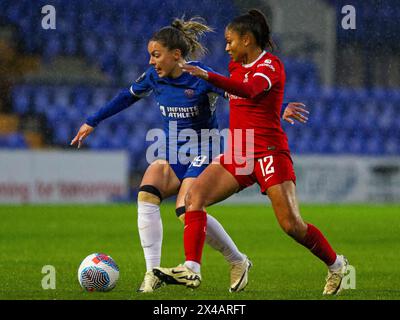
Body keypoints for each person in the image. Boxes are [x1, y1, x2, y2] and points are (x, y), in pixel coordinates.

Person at [71, 17, 309, 293]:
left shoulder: (200, 76)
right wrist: (92, 121)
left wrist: (280, 110)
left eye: (156, 55)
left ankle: (237, 260)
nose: (151, 62)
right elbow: (126, 96)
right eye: (150, 55)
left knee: (186, 209)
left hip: (204, 151)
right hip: (173, 153)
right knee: (147, 192)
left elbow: (245, 98)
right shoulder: (153, 78)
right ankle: (152, 273)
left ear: (176, 55)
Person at [153, 9, 349, 296]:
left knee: (292, 225)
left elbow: (251, 91)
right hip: (240, 151)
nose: (227, 47)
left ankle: (336, 265)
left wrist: (208, 75)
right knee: (194, 198)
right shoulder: (235, 67)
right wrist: (281, 108)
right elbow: (248, 100)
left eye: (230, 41)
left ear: (247, 39)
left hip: (270, 153)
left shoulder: (271, 65)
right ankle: (191, 269)